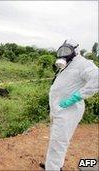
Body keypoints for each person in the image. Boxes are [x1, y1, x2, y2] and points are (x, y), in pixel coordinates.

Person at [42, 39, 99, 170]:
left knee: (59, 142)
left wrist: (77, 97)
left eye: (66, 51)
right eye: (61, 50)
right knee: (56, 139)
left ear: (75, 51)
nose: (63, 54)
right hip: (59, 109)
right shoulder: (67, 64)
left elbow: (97, 79)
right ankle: (55, 165)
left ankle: (52, 168)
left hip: (69, 111)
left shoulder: (83, 64)